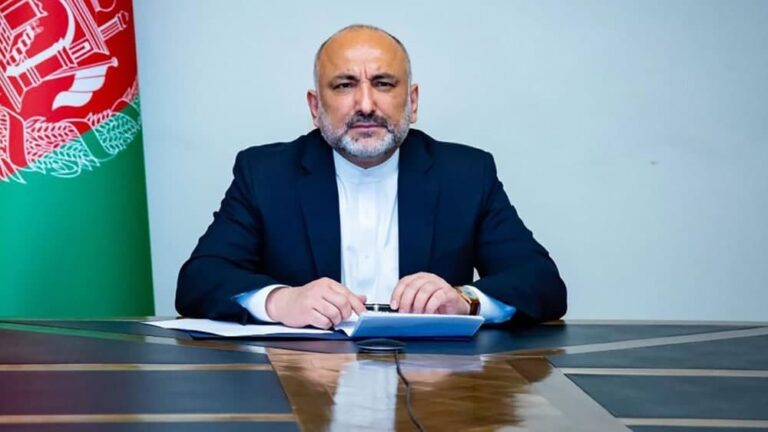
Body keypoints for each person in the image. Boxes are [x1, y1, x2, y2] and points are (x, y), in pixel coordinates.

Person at [176, 24, 566, 329]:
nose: (365, 104)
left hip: (435, 386)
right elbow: (199, 280)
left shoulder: (466, 174)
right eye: (344, 85)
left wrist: (466, 300)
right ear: (315, 107)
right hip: (304, 382)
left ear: (412, 101)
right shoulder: (265, 174)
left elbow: (542, 282)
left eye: (383, 84)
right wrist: (281, 301)